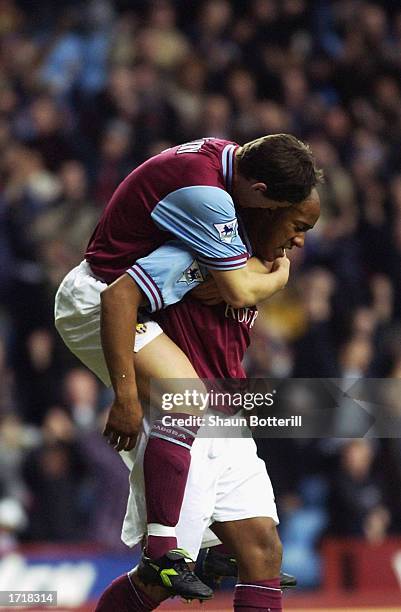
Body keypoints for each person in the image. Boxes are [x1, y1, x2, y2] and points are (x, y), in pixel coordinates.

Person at [55, 134, 322, 608]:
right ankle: (163, 548)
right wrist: (126, 400)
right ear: (260, 203)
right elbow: (121, 295)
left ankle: (203, 548)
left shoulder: (248, 254)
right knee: (159, 579)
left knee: (264, 555)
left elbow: (243, 287)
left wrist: (271, 275)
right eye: (297, 222)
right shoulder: (202, 244)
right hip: (174, 403)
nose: (299, 240)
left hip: (222, 412)